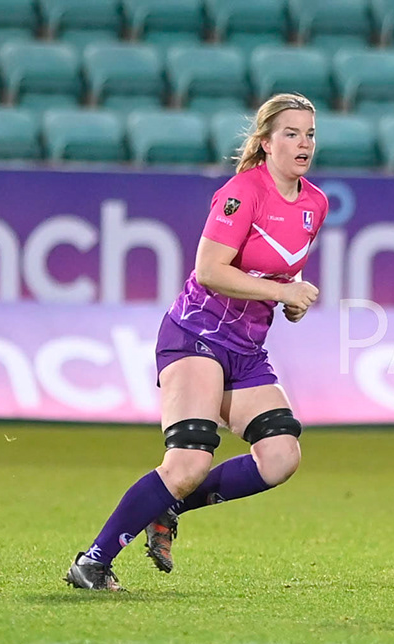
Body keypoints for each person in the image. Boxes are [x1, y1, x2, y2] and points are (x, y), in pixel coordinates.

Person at [64, 94, 326, 591]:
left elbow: (278, 271)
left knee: (281, 456)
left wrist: (289, 302)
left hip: (246, 351)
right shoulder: (241, 192)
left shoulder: (315, 203)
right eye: (291, 133)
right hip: (196, 335)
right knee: (187, 461)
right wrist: (280, 291)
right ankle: (93, 562)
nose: (303, 143)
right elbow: (210, 271)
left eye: (310, 134)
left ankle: (169, 505)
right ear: (266, 142)